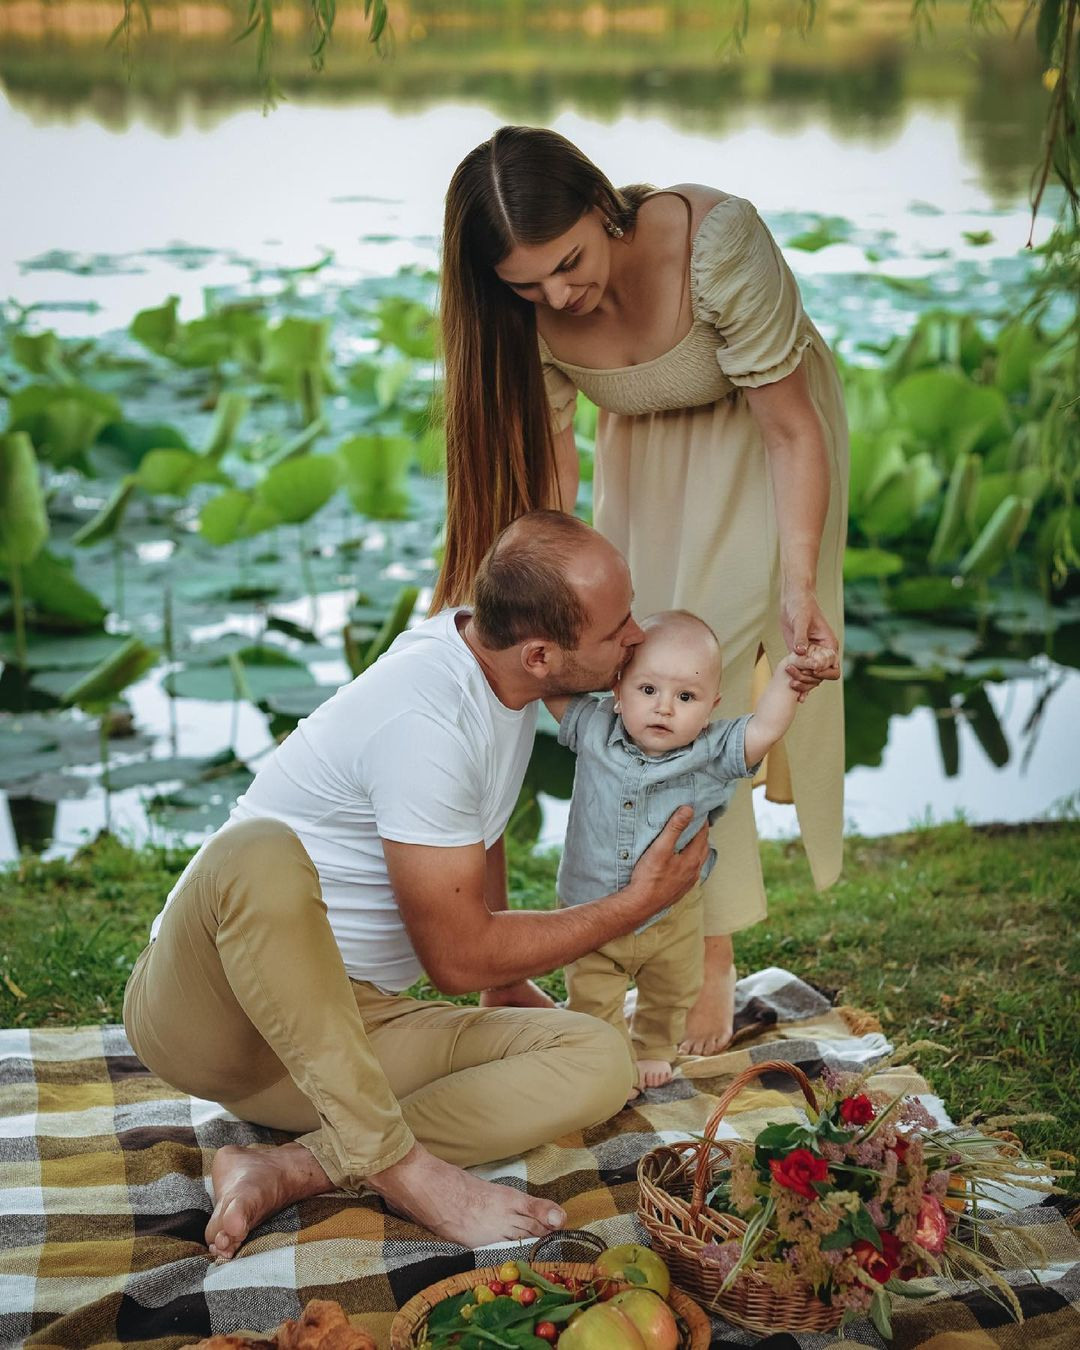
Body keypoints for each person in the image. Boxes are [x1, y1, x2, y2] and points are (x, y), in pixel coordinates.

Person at [122, 510, 709, 1260]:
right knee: (257, 852)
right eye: (617, 626)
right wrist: (636, 905)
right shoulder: (424, 718)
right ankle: (401, 1168)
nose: (636, 636)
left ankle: (294, 1166)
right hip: (214, 1017)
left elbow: (480, 825)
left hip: (344, 1036)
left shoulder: (501, 673)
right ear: (540, 654)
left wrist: (505, 988)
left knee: (598, 1057)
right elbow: (457, 961)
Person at [434, 125, 848, 1056]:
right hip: (646, 464)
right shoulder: (530, 308)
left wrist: (796, 583)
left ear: (600, 201)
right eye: (525, 285)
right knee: (635, 676)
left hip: (763, 457)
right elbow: (551, 480)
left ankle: (708, 956)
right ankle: (652, 933)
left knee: (695, 691)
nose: (555, 296)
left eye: (569, 263)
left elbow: (790, 429)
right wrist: (556, 605)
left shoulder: (720, 245)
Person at [547, 610, 833, 1098]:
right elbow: (548, 686)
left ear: (711, 706)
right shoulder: (592, 726)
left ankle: (652, 1046)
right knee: (593, 995)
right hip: (589, 909)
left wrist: (788, 679)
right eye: (647, 690)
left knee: (672, 987)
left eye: (685, 697)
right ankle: (608, 1055)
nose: (663, 708)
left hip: (671, 915)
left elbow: (764, 728)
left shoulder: (713, 752)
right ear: (617, 689)